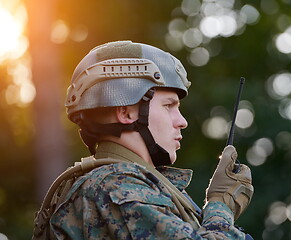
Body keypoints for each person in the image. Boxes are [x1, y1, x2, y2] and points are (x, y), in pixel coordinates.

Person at [33, 40, 254, 239]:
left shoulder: (122, 184)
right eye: (168, 106)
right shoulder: (115, 186)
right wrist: (220, 206)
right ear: (127, 112)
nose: (182, 121)